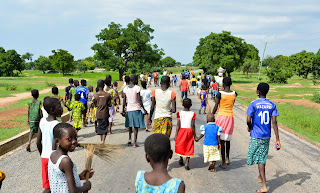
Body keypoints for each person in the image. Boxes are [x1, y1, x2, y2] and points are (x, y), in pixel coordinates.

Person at [246, 83, 281, 193]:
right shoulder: (272, 104)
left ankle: (264, 186)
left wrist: (249, 127)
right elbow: (274, 122)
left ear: (258, 92)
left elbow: (248, 119)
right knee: (262, 156)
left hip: (256, 135)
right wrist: (277, 139)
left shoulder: (253, 104)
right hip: (266, 136)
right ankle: (261, 177)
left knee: (259, 159)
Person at [49, 123, 94, 193]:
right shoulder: (66, 161)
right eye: (69, 139)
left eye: (75, 138)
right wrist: (86, 186)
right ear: (57, 141)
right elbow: (73, 191)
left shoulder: (53, 154)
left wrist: (79, 177)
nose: (74, 141)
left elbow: (61, 180)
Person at [37, 97, 63, 193]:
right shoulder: (57, 125)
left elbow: (38, 142)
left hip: (44, 157)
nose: (61, 108)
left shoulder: (42, 121)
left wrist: (42, 154)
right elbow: (54, 146)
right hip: (53, 158)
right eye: (59, 107)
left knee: (48, 186)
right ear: (52, 110)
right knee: (56, 186)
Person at [212, 77, 237, 169]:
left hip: (221, 117)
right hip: (230, 117)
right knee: (228, 139)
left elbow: (216, 106)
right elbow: (232, 104)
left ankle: (223, 162)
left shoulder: (220, 94)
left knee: (221, 140)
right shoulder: (234, 93)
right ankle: (227, 158)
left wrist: (211, 115)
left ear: (223, 84)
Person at [123, 75, 146, 147]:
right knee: (136, 127)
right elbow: (139, 99)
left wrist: (123, 109)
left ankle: (130, 139)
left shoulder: (125, 88)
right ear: (135, 80)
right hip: (136, 109)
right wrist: (143, 108)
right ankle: (135, 143)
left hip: (129, 109)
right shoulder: (137, 88)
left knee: (130, 126)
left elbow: (124, 100)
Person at [174, 98, 196, 170]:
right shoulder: (193, 114)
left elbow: (178, 124)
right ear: (191, 105)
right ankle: (187, 163)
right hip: (189, 131)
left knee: (181, 145)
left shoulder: (179, 113)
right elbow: (193, 125)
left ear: (182, 104)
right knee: (188, 146)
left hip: (181, 131)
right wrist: (194, 135)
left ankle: (181, 158)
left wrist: (176, 134)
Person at [93, 80, 111, 144]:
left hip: (98, 113)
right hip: (105, 113)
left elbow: (94, 105)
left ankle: (101, 140)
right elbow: (109, 104)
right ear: (104, 86)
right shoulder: (108, 95)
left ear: (97, 86)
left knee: (100, 126)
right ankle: (103, 140)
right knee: (105, 128)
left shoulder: (95, 95)